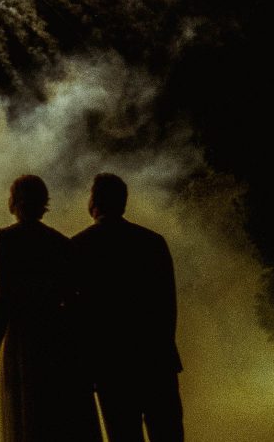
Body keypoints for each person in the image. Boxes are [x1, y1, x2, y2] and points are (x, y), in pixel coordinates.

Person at [0, 175, 101, 442]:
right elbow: (75, 301)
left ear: (16, 201)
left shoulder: (4, 240)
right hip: (59, 340)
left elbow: (2, 303)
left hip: (23, 340)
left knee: (26, 420)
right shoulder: (62, 244)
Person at [72, 173, 184, 442]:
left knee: (123, 435)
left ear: (94, 203)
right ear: (123, 203)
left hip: (111, 364)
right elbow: (168, 305)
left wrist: (85, 366)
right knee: (168, 433)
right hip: (156, 359)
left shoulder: (79, 247)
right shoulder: (152, 242)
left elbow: (78, 314)